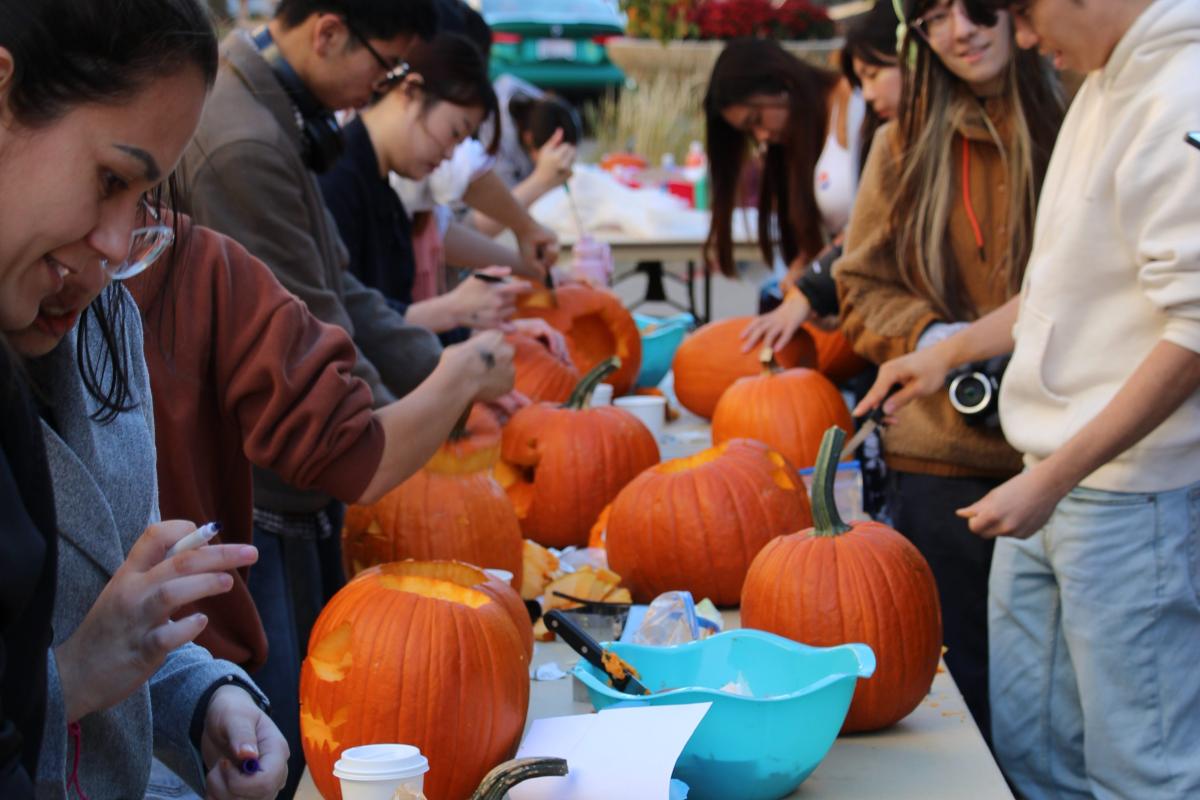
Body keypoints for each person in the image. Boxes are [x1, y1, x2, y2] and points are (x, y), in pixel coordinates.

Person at [858, 0, 1200, 794]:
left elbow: (1193, 332)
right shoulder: (1105, 81)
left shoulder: (1180, 93)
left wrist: (1055, 475)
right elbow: (1058, 289)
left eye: (1018, 10)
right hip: (1050, 475)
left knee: (1140, 773)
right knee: (1031, 757)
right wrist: (945, 354)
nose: (1023, 37)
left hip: (1126, 497)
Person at [0, 1, 288, 797]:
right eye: (108, 181)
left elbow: (120, 608)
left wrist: (208, 699)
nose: (115, 247)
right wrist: (74, 675)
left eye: (145, 201)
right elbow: (90, 651)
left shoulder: (104, 323)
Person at [832, 0, 1063, 743]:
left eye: (976, 6)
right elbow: (858, 285)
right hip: (943, 458)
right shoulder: (902, 142)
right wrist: (940, 339)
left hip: (1074, 455)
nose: (960, 29)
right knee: (960, 707)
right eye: (934, 16)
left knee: (1071, 717)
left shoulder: (1082, 123)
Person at [743, 3, 904, 352]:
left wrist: (810, 289)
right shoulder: (892, 136)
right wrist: (810, 276)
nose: (868, 93)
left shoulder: (881, 130)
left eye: (873, 74)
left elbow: (877, 225)